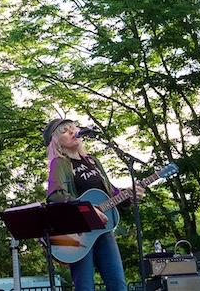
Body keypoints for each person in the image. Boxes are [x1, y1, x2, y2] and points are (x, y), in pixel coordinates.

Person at [44, 119, 144, 291]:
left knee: (119, 285)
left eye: (73, 128)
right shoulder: (60, 163)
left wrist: (129, 195)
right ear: (56, 141)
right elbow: (56, 195)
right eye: (65, 131)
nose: (72, 132)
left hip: (103, 231)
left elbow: (111, 194)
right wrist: (87, 210)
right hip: (78, 233)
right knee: (85, 286)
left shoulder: (93, 162)